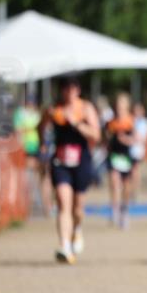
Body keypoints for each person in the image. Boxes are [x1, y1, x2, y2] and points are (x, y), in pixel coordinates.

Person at [40, 76, 101, 264]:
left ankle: (77, 230)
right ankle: (65, 247)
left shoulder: (86, 108)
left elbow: (96, 135)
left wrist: (75, 122)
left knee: (77, 208)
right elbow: (41, 126)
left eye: (73, 88)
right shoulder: (54, 109)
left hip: (81, 159)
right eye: (65, 88)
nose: (69, 91)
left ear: (78, 90)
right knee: (63, 203)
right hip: (60, 161)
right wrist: (43, 141)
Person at [105, 93, 136, 229]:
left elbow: (136, 139)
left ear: (127, 106)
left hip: (126, 157)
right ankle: (115, 210)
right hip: (114, 156)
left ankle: (124, 210)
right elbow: (104, 138)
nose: (120, 108)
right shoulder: (111, 122)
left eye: (122, 105)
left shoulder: (131, 121)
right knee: (114, 182)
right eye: (118, 105)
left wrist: (126, 140)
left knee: (126, 187)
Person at [13, 94, 46, 214]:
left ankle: (37, 200)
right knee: (28, 174)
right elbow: (18, 130)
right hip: (26, 148)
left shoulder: (37, 114)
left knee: (39, 175)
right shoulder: (20, 114)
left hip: (37, 147)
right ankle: (29, 200)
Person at [129, 102, 147, 199]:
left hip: (138, 150)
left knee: (135, 170)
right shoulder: (131, 120)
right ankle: (130, 189)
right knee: (131, 171)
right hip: (129, 148)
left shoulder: (145, 122)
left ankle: (135, 190)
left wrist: (144, 143)